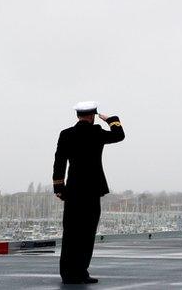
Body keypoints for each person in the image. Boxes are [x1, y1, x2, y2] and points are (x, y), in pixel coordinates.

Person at [53, 101, 125, 284]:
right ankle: (81, 272)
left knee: (70, 232)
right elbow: (119, 135)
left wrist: (59, 187)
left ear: (77, 115)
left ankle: (67, 274)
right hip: (93, 190)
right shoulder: (97, 133)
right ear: (93, 116)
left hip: (73, 189)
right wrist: (111, 120)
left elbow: (59, 162)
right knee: (87, 233)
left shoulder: (66, 134)